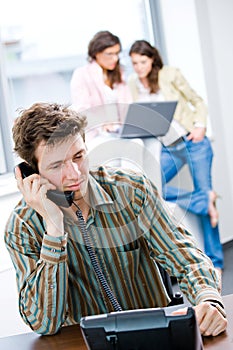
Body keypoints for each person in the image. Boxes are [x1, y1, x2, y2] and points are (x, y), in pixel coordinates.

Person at [4, 102, 227, 336]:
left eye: (78, 156)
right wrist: (54, 229)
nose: (74, 174)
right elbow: (42, 322)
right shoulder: (22, 227)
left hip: (153, 338)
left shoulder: (131, 190)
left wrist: (209, 300)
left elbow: (185, 257)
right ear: (32, 173)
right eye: (57, 165)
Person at [128, 40, 224, 276]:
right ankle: (205, 199)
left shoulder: (169, 75)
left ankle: (216, 263)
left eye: (143, 61)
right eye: (134, 63)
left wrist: (200, 126)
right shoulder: (133, 83)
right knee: (153, 187)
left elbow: (197, 100)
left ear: (152, 59)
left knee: (204, 189)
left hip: (194, 142)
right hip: (169, 147)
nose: (139, 67)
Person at [70, 30, 131, 112]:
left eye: (117, 53)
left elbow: (128, 105)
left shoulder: (119, 73)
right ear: (96, 53)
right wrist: (103, 124)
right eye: (110, 54)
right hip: (98, 124)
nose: (115, 58)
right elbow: (82, 111)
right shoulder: (82, 74)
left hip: (123, 124)